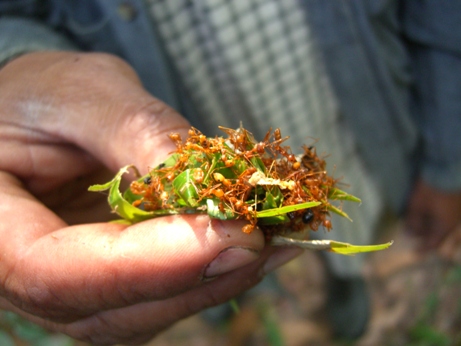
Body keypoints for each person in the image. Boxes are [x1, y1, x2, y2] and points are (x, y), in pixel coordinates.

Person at [1, 0, 460, 344]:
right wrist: (15, 60)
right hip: (183, 171)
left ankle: (345, 291)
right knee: (231, 257)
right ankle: (237, 306)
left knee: (311, 233)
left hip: (349, 121)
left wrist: (447, 164)